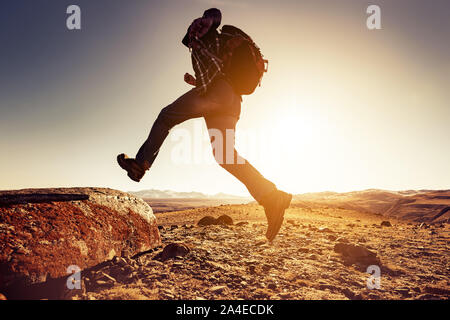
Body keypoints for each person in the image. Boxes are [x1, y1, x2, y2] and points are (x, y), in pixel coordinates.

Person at [117, 8, 292, 241]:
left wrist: (206, 22)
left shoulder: (205, 33)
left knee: (166, 117)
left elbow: (213, 23)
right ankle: (272, 197)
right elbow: (216, 67)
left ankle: (140, 164)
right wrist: (196, 80)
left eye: (192, 33)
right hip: (231, 101)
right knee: (225, 155)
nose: (191, 35)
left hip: (217, 93)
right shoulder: (216, 44)